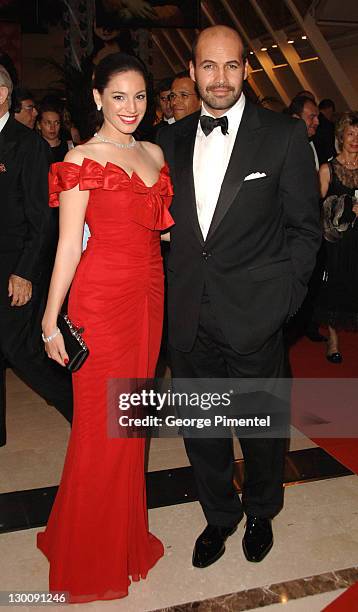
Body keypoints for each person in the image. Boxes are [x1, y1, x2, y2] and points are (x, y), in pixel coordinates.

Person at [158, 26, 320, 568]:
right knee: (203, 430)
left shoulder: (283, 135)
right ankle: (219, 515)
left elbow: (305, 229)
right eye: (209, 66)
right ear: (193, 69)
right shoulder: (170, 140)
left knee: (261, 428)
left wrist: (284, 301)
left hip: (256, 313)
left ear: (245, 69)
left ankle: (261, 510)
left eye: (231, 66)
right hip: (187, 315)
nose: (220, 78)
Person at [37, 52, 173, 603]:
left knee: (131, 426)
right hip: (100, 300)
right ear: (96, 98)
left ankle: (122, 535)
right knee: (100, 426)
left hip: (150, 298)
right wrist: (50, 321)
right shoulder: (79, 159)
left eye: (140, 97)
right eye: (118, 96)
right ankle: (88, 553)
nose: (130, 108)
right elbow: (69, 245)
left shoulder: (154, 153)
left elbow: (160, 236)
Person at [0, 65, 73, 447]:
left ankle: (79, 410)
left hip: (14, 268)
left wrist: (25, 272)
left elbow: (41, 216)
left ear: (1, 94)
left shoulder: (25, 144)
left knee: (22, 350)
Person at [316, 111, 358, 363]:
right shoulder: (327, 168)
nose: (355, 140)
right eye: (351, 134)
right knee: (334, 287)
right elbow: (316, 207)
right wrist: (343, 207)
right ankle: (332, 340)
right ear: (341, 136)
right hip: (337, 241)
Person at [314, 98, 336, 165]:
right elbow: (329, 146)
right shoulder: (327, 124)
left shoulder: (315, 121)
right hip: (325, 159)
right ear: (330, 109)